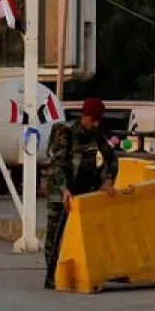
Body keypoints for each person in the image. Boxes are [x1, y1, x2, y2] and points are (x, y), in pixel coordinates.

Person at [42, 96, 119, 290]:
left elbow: (112, 158)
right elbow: (56, 163)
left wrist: (109, 179)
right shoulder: (64, 132)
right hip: (61, 190)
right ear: (84, 116)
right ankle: (52, 273)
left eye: (98, 120)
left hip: (84, 190)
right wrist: (63, 189)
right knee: (55, 232)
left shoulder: (96, 134)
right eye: (93, 120)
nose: (96, 124)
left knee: (85, 234)